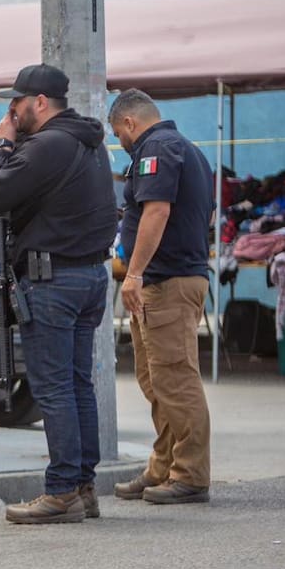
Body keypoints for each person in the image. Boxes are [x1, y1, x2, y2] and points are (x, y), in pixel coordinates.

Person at [0, 64, 117, 524]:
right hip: (88, 277)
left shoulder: (47, 145)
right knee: (78, 384)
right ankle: (83, 486)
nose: (10, 111)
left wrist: (2, 146)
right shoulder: (88, 143)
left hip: (53, 280)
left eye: (16, 103)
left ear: (39, 103)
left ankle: (61, 491)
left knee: (54, 387)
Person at [109, 88, 214, 505]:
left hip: (167, 282)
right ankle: (164, 467)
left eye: (118, 133)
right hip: (165, 280)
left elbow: (157, 211)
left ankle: (190, 475)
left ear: (130, 123)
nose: (120, 141)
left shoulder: (158, 148)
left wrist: (133, 273)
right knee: (157, 382)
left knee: (175, 378)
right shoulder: (184, 148)